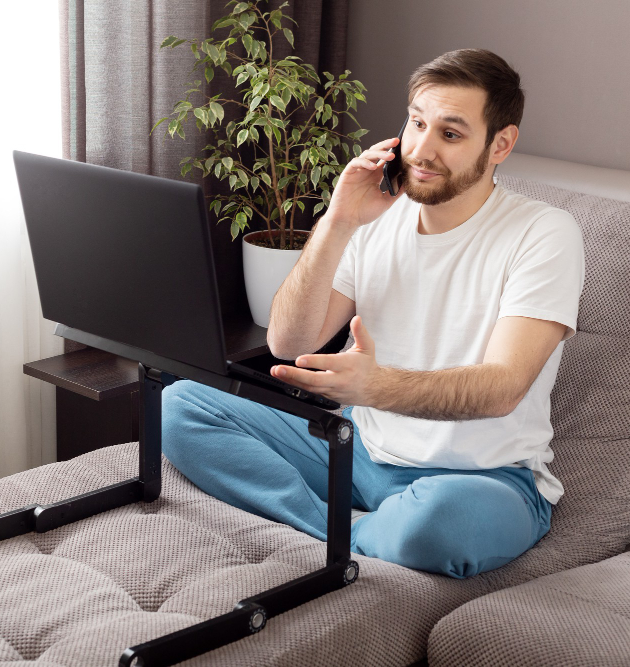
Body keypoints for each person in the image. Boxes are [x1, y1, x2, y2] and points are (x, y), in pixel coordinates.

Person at [160, 49, 585, 579]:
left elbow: (503, 388)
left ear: (500, 144)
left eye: (450, 134)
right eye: (417, 123)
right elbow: (288, 343)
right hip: (358, 451)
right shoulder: (377, 217)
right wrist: (339, 219)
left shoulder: (544, 233)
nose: (421, 150)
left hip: (481, 479)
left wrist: (373, 386)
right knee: (179, 406)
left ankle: (350, 529)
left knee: (438, 521)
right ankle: (346, 530)